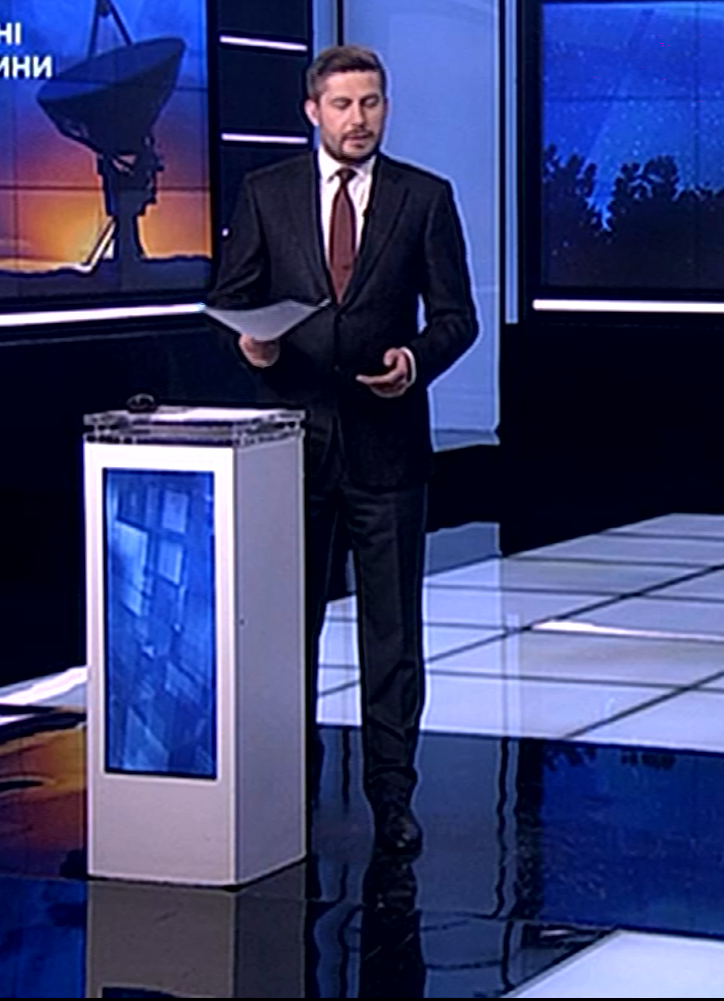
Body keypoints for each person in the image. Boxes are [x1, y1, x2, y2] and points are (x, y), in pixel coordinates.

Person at [208, 44, 478, 857]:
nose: (358, 119)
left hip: (388, 450)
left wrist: (415, 362)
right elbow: (230, 297)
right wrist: (251, 345)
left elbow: (457, 317)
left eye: (371, 103)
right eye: (342, 104)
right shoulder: (267, 194)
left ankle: (393, 798)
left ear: (385, 107)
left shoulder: (425, 198)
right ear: (312, 111)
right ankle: (288, 784)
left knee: (392, 636)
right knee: (283, 630)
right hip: (288, 450)